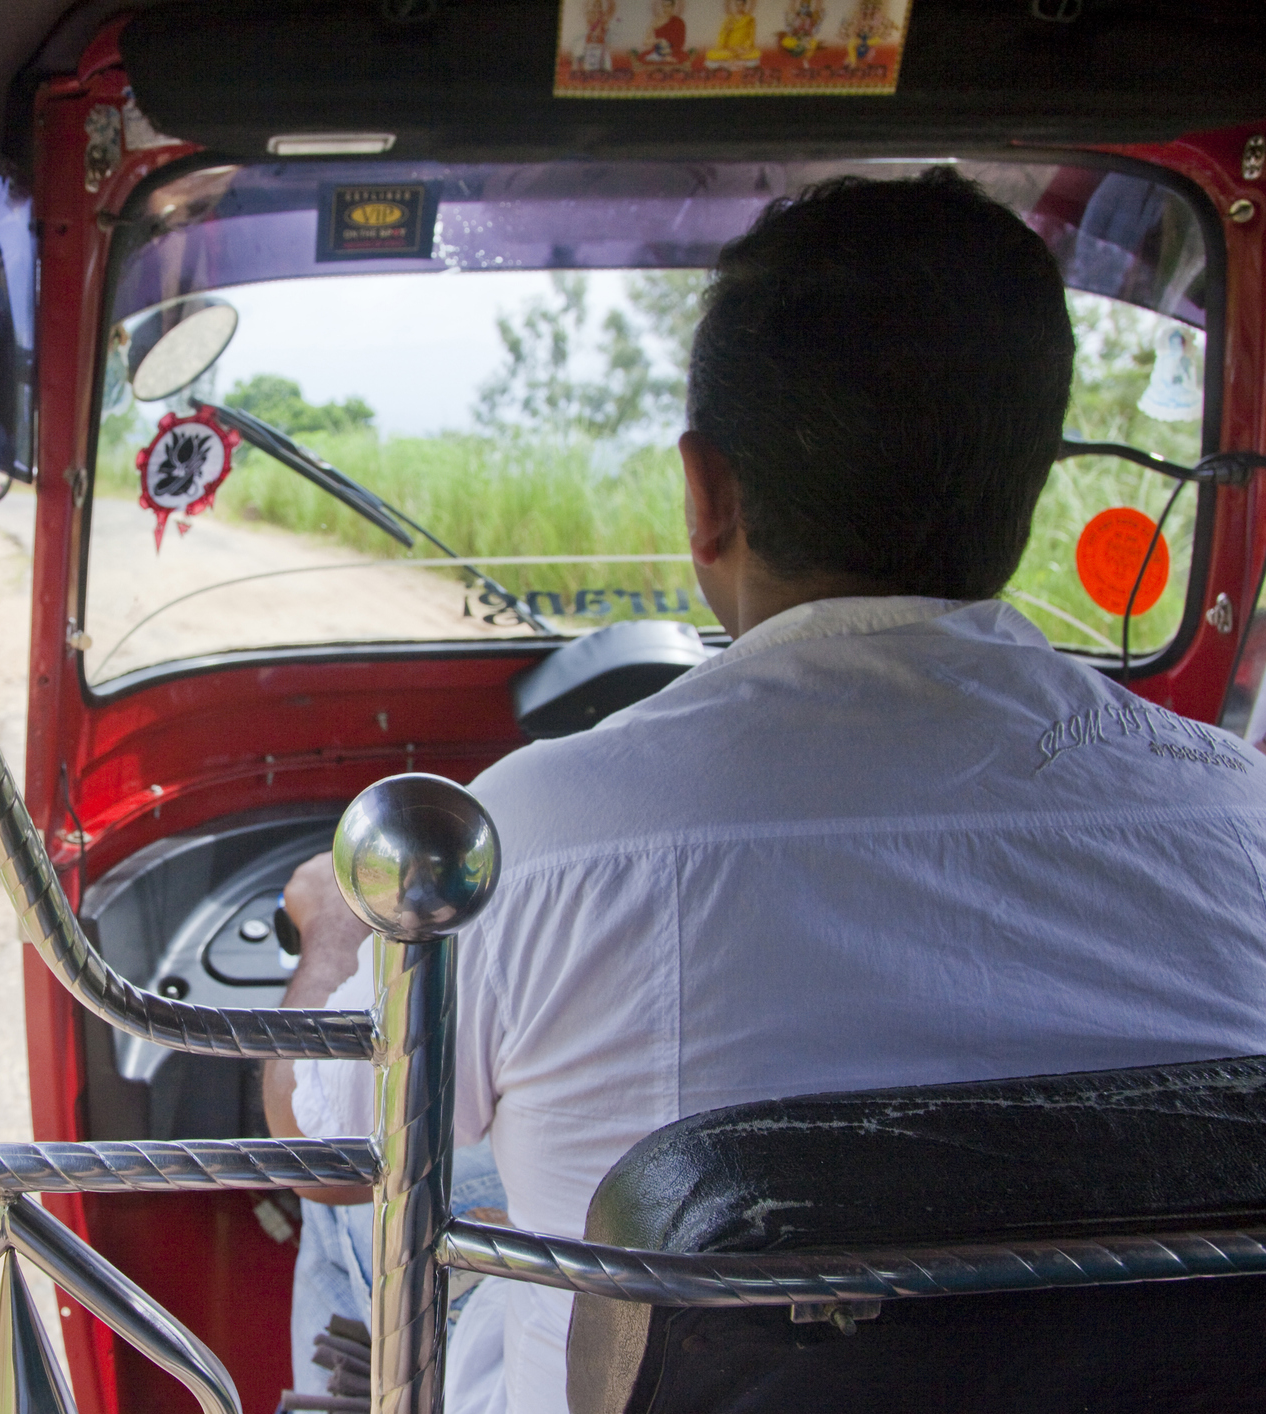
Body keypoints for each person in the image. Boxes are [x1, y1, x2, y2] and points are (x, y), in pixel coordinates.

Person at [263, 168, 1266, 1412]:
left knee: (383, 1194)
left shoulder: (541, 836)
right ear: (1025, 489)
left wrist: (332, 931)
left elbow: (321, 1142)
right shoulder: (1242, 815)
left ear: (707, 493)